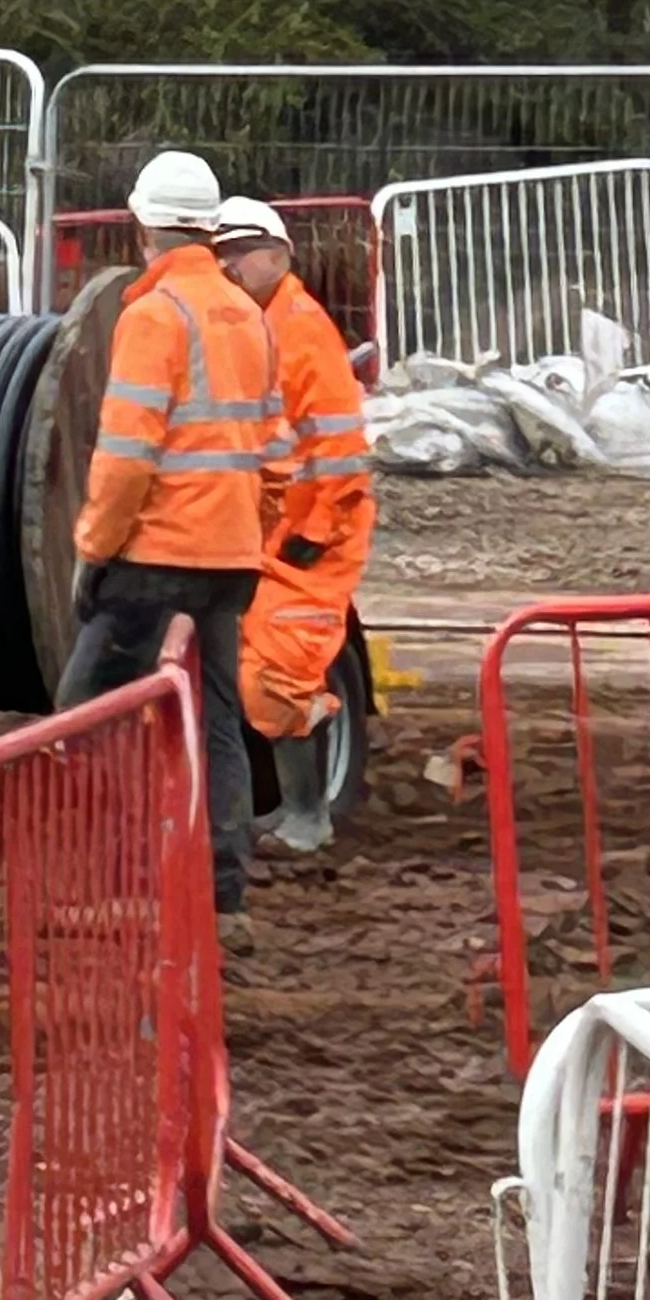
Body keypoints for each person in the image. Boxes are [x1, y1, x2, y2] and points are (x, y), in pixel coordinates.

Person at [59, 148, 290, 925]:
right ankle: (223, 894)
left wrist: (94, 549)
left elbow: (125, 458)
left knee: (84, 710)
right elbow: (276, 459)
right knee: (216, 716)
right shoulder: (248, 316)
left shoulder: (153, 315)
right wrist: (243, 535)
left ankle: (113, 879)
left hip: (155, 556)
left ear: (143, 229)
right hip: (229, 559)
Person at [213, 195, 378, 854]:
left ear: (277, 253)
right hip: (279, 532)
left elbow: (338, 449)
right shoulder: (257, 323)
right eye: (220, 252)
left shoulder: (300, 328)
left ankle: (309, 816)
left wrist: (310, 535)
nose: (229, 264)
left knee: (278, 670)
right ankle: (291, 808)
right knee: (258, 662)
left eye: (240, 251)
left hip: (315, 536)